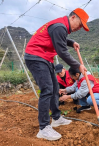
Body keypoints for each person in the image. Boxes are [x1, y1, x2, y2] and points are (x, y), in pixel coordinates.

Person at [24, 8, 89, 141]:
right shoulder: (59, 26)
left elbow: (59, 39)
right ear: (73, 18)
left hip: (45, 58)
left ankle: (57, 118)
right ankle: (43, 128)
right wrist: (78, 66)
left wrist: (71, 42)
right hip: (36, 57)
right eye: (80, 24)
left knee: (54, 89)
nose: (80, 28)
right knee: (47, 90)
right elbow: (62, 52)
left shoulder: (60, 27)